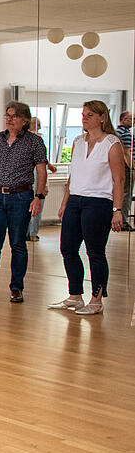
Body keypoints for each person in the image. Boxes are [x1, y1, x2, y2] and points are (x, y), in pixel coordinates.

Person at [48, 101, 125, 315]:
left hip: (99, 202)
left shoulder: (112, 143)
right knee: (68, 248)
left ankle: (96, 300)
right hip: (75, 200)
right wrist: (64, 202)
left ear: (102, 118)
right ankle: (75, 296)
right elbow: (73, 175)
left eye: (89, 115)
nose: (84, 118)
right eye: (83, 115)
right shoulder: (77, 141)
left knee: (95, 252)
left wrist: (117, 210)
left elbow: (119, 179)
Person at [0, 101, 47, 304]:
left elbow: (41, 171)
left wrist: (39, 197)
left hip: (21, 197)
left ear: (24, 120)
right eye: (7, 115)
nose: (8, 119)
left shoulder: (34, 142)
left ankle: (17, 288)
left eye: (13, 116)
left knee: (18, 244)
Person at [26, 117, 58, 242]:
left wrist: (50, 166)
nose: (39, 127)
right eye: (37, 124)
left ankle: (30, 232)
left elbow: (42, 159)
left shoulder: (32, 141)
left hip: (35, 177)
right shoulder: (34, 141)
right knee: (35, 207)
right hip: (34, 178)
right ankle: (32, 232)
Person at [117, 110, 132, 231]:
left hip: (119, 167)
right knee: (126, 194)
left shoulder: (117, 132)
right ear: (123, 119)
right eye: (131, 119)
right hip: (126, 167)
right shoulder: (126, 133)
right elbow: (126, 153)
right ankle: (124, 222)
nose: (133, 122)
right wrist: (132, 168)